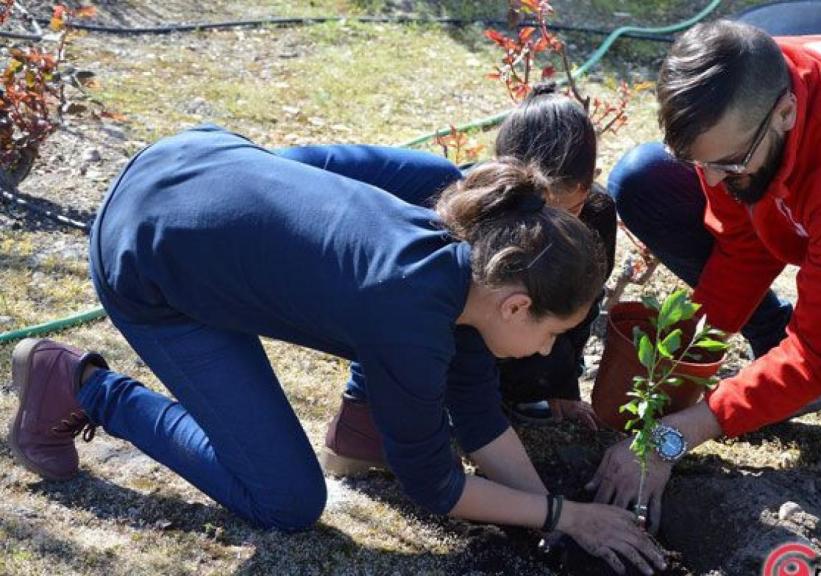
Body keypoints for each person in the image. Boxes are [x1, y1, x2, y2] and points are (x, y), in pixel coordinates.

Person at [7, 125, 664, 575]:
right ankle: (79, 383)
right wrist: (563, 513)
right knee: (286, 500)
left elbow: (476, 410)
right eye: (552, 334)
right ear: (516, 305)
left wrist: (560, 519)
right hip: (147, 256)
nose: (546, 349)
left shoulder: (467, 258)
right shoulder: (407, 313)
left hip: (194, 161)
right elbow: (432, 485)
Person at [591, 20, 821, 535]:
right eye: (699, 163)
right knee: (643, 177)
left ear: (785, 113)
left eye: (728, 164)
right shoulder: (744, 95)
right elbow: (743, 243)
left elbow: (818, 354)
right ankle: (771, 351)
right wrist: (691, 350)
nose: (711, 180)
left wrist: (676, 435)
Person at [280, 84, 617, 476]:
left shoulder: (595, 217)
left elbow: (567, 312)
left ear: (586, 187)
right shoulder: (459, 210)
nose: (546, 230)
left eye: (565, 213)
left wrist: (553, 391)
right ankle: (364, 423)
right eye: (534, 214)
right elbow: (396, 314)